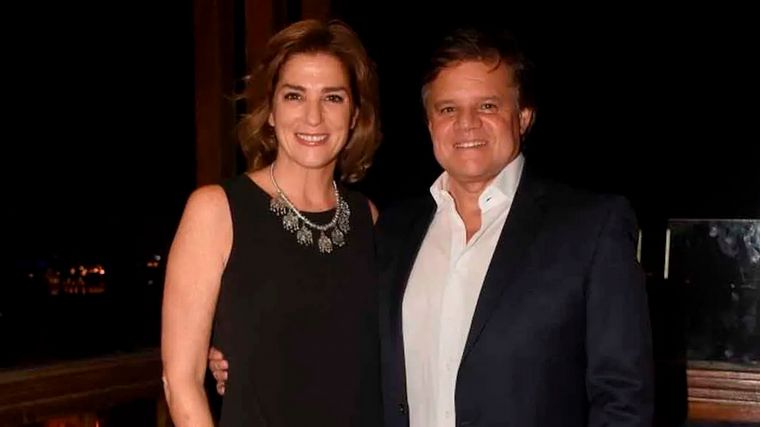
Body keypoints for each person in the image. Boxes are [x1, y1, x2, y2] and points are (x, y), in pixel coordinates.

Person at [212, 25, 654, 427]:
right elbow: (328, 325)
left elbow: (623, 398)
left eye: (487, 106)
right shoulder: (390, 230)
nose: (466, 124)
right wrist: (245, 354)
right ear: (430, 124)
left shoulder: (590, 228)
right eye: (448, 109)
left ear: (523, 117)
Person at [161, 19, 383, 427]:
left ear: (354, 115)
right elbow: (181, 381)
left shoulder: (368, 218)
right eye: (294, 95)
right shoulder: (216, 211)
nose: (313, 117)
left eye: (333, 97)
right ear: (271, 112)